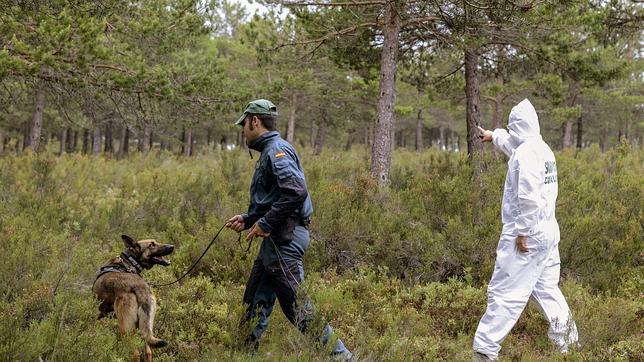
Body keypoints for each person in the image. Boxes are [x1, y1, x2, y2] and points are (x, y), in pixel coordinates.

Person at [226, 99, 352, 360]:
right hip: (275, 241)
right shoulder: (273, 150)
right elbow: (277, 198)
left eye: (244, 125)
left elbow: (295, 191)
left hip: (284, 241)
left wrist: (265, 223)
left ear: (255, 121)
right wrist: (250, 219)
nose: (243, 131)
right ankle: (244, 354)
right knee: (254, 302)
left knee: (298, 309)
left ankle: (342, 358)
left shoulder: (277, 151)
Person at [473, 99, 578, 361]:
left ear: (517, 126)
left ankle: (485, 350)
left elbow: (528, 198)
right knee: (547, 290)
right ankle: (568, 345)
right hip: (548, 233)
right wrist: (493, 135)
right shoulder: (540, 149)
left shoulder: (526, 154)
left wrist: (522, 233)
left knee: (505, 291)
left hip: (529, 234)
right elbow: (513, 145)